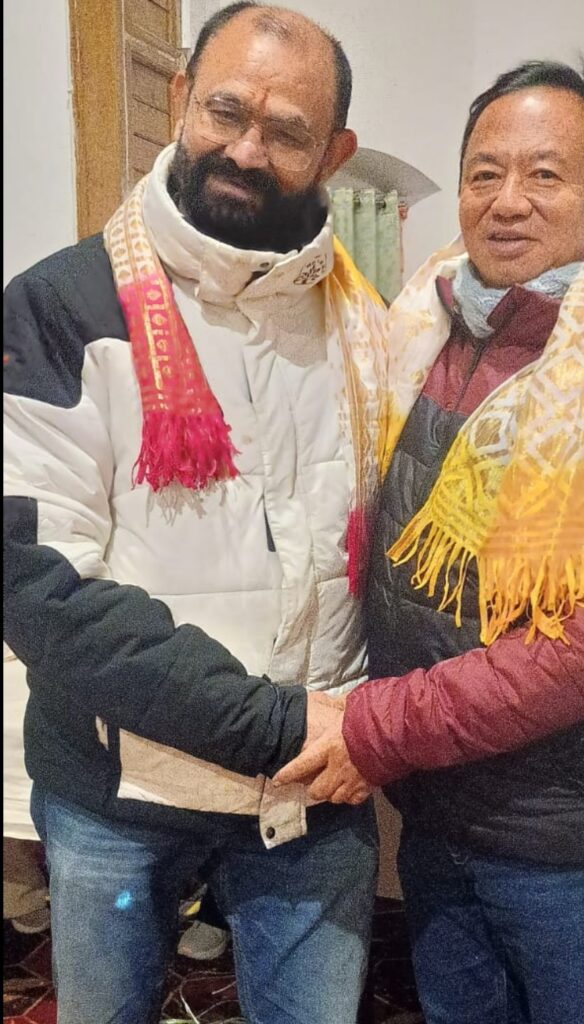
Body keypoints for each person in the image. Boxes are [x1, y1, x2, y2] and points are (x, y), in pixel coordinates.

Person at [274, 59, 584, 1023]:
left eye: (545, 175)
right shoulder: (422, 336)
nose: (507, 201)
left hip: (574, 841)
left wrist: (381, 729)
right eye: (484, 173)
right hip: (437, 809)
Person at [3, 4, 387, 1023]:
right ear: (180, 100)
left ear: (335, 153)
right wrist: (276, 721)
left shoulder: (367, 325)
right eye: (225, 111)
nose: (246, 149)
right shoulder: (61, 306)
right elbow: (39, 588)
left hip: (312, 792)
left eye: (287, 132)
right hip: (119, 790)